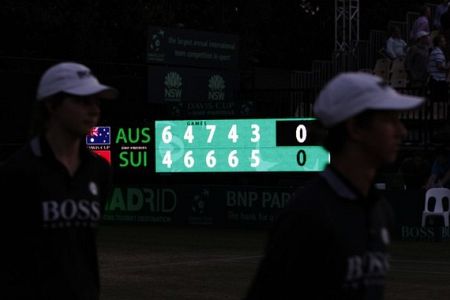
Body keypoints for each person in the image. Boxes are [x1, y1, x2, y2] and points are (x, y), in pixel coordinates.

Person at [244, 72, 424, 299]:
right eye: (389, 119)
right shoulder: (307, 215)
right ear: (355, 128)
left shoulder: (380, 211)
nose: (401, 131)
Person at [0, 62, 117, 299]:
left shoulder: (99, 171)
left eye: (96, 101)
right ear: (52, 105)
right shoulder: (16, 172)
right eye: (82, 101)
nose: (94, 109)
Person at [427, 34, 450, 105]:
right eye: (443, 41)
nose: (445, 43)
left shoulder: (436, 51)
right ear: (439, 43)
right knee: (440, 102)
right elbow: (439, 66)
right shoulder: (438, 52)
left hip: (437, 79)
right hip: (438, 80)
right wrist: (448, 67)